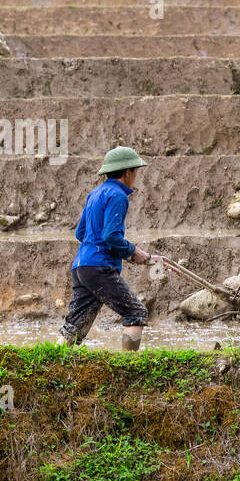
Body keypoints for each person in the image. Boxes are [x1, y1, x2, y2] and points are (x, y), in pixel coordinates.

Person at [57, 146, 153, 351]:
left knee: (75, 325)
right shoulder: (118, 195)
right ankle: (130, 367)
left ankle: (48, 364)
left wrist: (97, 247)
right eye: (136, 171)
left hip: (81, 266)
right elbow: (111, 235)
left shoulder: (95, 193)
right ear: (127, 172)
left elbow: (80, 233)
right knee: (136, 312)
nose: (136, 175)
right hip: (99, 267)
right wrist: (132, 251)